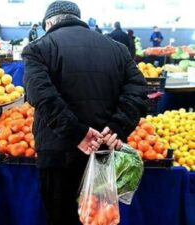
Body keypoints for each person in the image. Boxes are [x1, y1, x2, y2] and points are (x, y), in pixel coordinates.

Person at [22, 1, 147, 225]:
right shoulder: (117, 49)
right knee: (99, 217)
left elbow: (41, 96)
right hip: (103, 153)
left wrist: (77, 133)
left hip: (57, 154)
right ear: (77, 18)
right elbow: (138, 90)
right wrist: (118, 127)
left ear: (49, 22)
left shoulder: (38, 48)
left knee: (60, 216)